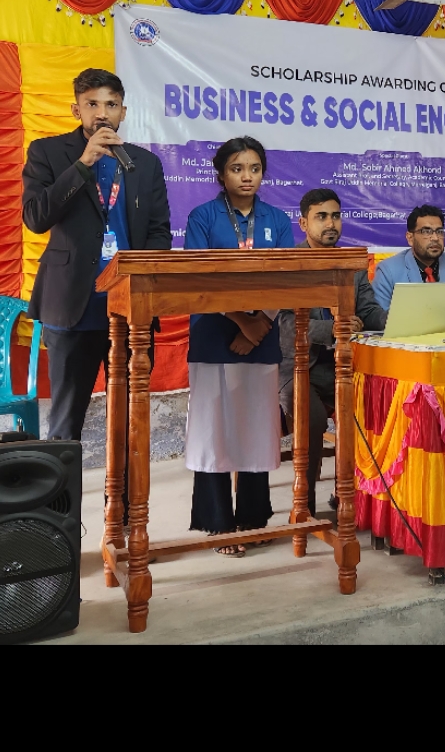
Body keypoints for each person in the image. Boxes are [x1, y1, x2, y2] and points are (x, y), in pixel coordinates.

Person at [22, 69, 171, 517]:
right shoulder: (49, 153)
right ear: (76, 109)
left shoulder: (144, 163)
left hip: (129, 309)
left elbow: (159, 233)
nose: (101, 113)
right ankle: (58, 523)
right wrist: (82, 164)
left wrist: (143, 283)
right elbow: (36, 217)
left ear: (123, 111)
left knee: (128, 419)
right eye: (92, 104)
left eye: (110, 104)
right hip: (72, 306)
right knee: (65, 423)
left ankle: (121, 514)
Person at [184, 135, 294, 553]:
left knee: (256, 427)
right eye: (237, 168)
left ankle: (252, 515)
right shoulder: (202, 217)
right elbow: (197, 278)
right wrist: (241, 322)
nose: (247, 176)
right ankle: (217, 520)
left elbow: (286, 278)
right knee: (212, 429)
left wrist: (260, 323)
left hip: (261, 338)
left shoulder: (277, 220)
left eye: (254, 168)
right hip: (213, 335)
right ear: (221, 173)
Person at [278, 188, 387, 518]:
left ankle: (354, 499)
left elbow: (368, 311)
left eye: (336, 216)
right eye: (321, 216)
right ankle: (304, 505)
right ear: (303, 223)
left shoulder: (352, 264)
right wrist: (334, 328)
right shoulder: (290, 264)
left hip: (345, 365)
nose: (331, 223)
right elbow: (285, 324)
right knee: (311, 419)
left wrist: (400, 320)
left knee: (376, 408)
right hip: (300, 367)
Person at [371, 205, 445, 316]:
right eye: (426, 232)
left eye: (439, 231)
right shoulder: (388, 270)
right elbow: (381, 319)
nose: (435, 238)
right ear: (410, 238)